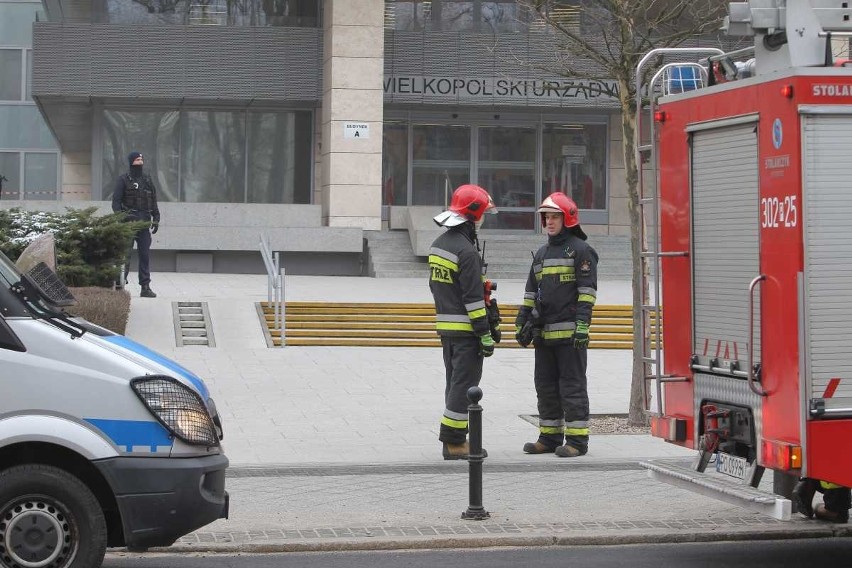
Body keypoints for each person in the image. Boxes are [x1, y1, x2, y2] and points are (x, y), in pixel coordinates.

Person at [515, 192, 598, 458]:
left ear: (568, 218)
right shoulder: (541, 254)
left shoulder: (582, 251)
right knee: (546, 387)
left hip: (571, 336)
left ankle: (577, 441)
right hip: (544, 335)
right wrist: (521, 322)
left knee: (571, 387)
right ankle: (549, 437)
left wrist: (583, 325)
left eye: (554, 217)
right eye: (546, 217)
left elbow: (587, 293)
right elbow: (530, 293)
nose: (549, 222)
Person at [429, 184, 497, 460]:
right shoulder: (466, 251)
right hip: (467, 331)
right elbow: (472, 299)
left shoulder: (440, 245)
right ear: (475, 213)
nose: (485, 219)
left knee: (453, 383)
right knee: (464, 386)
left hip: (447, 329)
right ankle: (454, 441)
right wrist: (484, 333)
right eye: (484, 214)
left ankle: (454, 437)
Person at [112, 151, 160, 298]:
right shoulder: (123, 180)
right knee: (125, 255)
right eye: (138, 159)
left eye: (141, 159)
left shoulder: (147, 180)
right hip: (129, 223)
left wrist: (156, 217)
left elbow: (153, 200)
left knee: (144, 255)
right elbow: (116, 203)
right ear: (131, 161)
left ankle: (145, 286)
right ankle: (120, 284)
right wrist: (121, 218)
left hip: (144, 222)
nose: (140, 162)